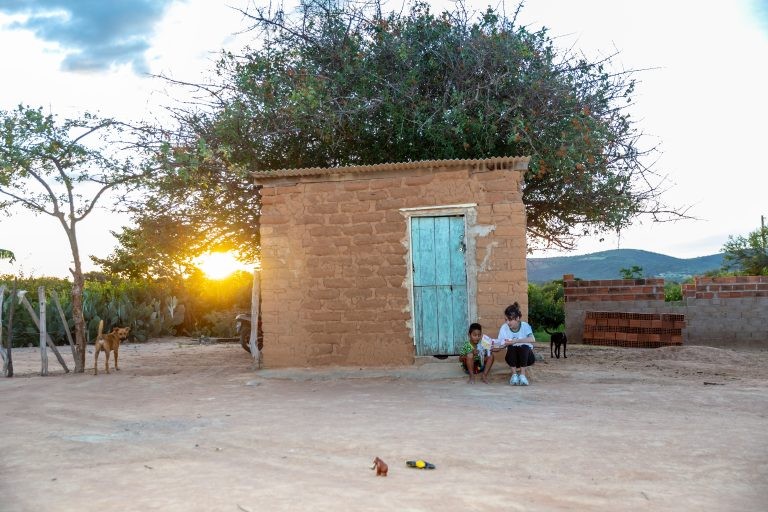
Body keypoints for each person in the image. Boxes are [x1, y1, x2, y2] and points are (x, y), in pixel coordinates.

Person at [498, 303, 536, 386]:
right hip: (512, 360)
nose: (508, 322)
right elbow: (501, 344)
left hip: (527, 359)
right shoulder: (504, 328)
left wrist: (516, 341)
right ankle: (514, 375)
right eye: (506, 320)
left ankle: (522, 375)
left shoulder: (525, 326)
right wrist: (495, 346)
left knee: (524, 346)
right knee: (511, 347)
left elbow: (532, 339)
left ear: (518, 318)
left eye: (510, 319)